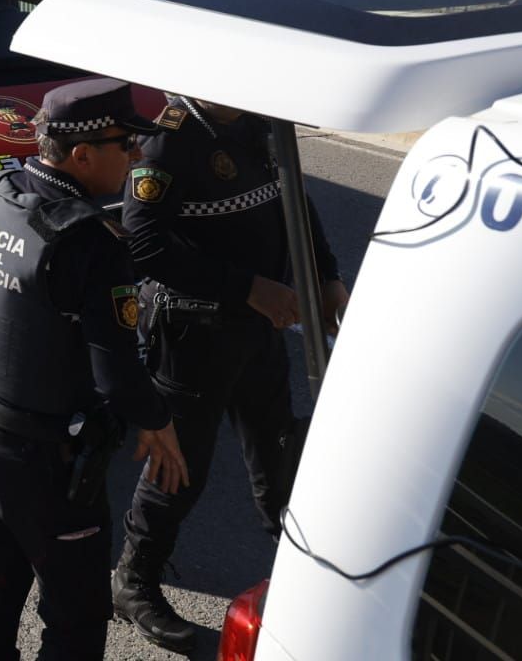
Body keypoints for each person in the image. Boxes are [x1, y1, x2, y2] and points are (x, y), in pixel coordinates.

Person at [0, 78, 188, 660]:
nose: (138, 155)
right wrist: (158, 420)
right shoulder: (89, 242)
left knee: (6, 560)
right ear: (83, 154)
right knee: (77, 615)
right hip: (43, 455)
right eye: (127, 144)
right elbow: (116, 373)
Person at [111, 94, 349, 653]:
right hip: (194, 333)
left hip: (258, 328)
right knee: (178, 464)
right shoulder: (167, 139)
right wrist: (247, 287)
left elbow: (294, 199)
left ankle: (305, 575)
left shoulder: (260, 119)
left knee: (277, 451)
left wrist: (326, 272)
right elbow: (143, 241)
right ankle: (134, 582)